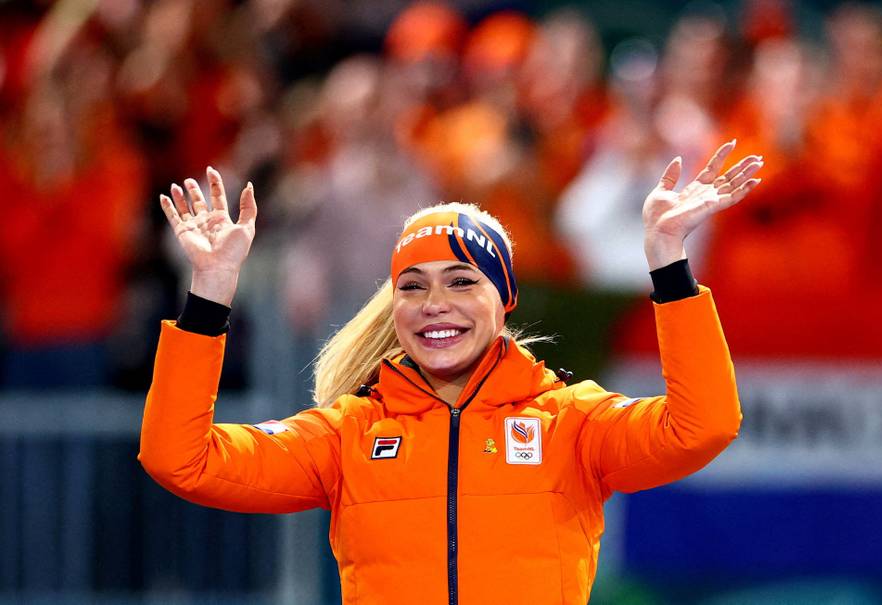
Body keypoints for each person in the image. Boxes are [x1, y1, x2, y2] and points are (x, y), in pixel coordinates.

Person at [139, 141, 763, 604]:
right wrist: (210, 292)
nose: (435, 303)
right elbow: (180, 458)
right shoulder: (346, 436)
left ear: (505, 299)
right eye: (413, 286)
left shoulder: (570, 424)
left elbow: (702, 426)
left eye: (462, 281)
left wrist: (668, 265)